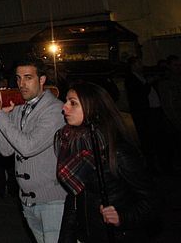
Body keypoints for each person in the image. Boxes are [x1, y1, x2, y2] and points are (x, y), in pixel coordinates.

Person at [55, 82, 160, 242]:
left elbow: (152, 201)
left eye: (73, 103)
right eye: (66, 101)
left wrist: (122, 217)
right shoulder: (74, 144)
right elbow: (74, 200)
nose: (64, 107)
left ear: (93, 107)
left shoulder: (117, 151)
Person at [0, 61, 67, 243]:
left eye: (28, 78)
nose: (21, 84)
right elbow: (6, 150)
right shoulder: (20, 107)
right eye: (18, 78)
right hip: (27, 201)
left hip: (52, 201)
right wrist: (2, 119)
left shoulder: (55, 110)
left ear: (42, 80)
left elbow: (28, 147)